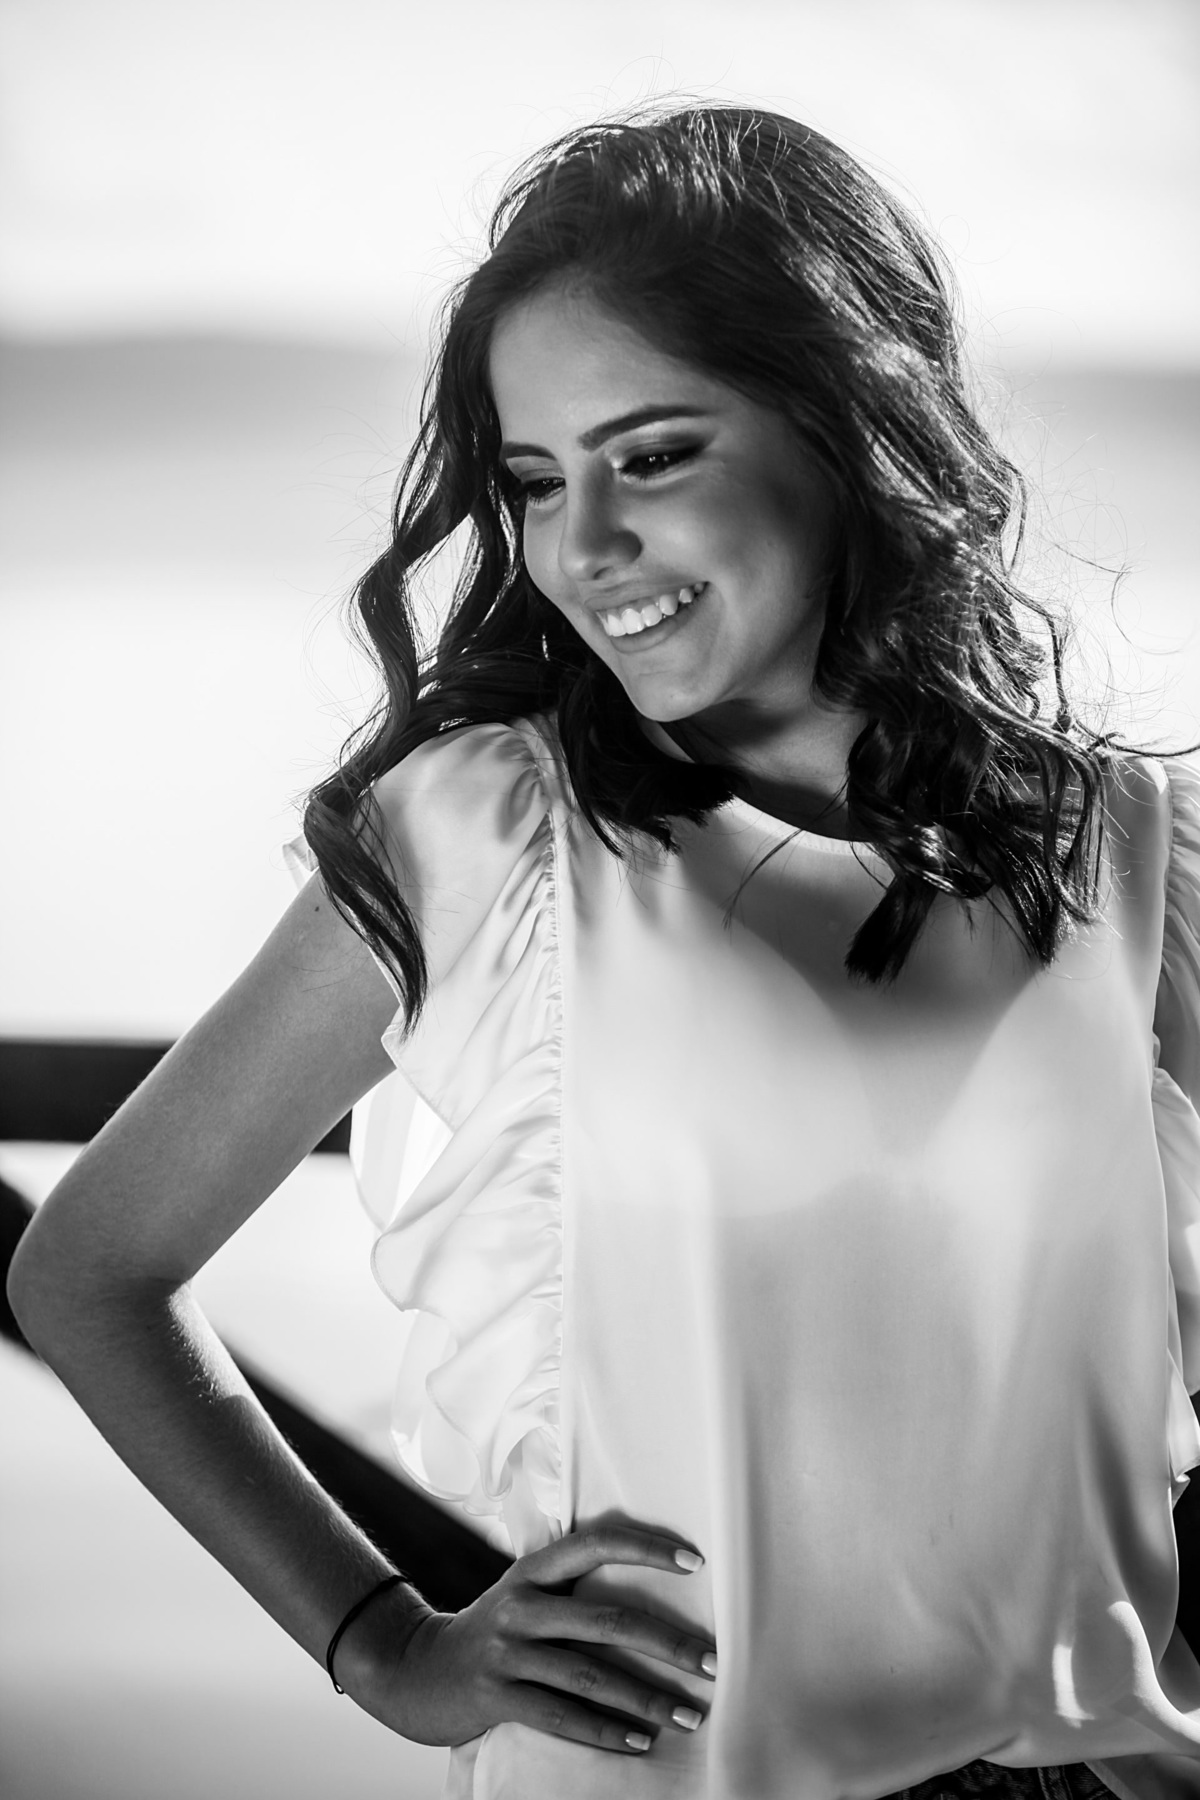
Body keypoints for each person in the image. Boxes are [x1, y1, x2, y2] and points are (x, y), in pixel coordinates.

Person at [9, 103, 1200, 1800]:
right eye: (536, 482)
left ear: (847, 423)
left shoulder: (1132, 849)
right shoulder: (488, 836)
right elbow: (88, 1270)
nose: (583, 548)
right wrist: (388, 1644)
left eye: (652, 457)